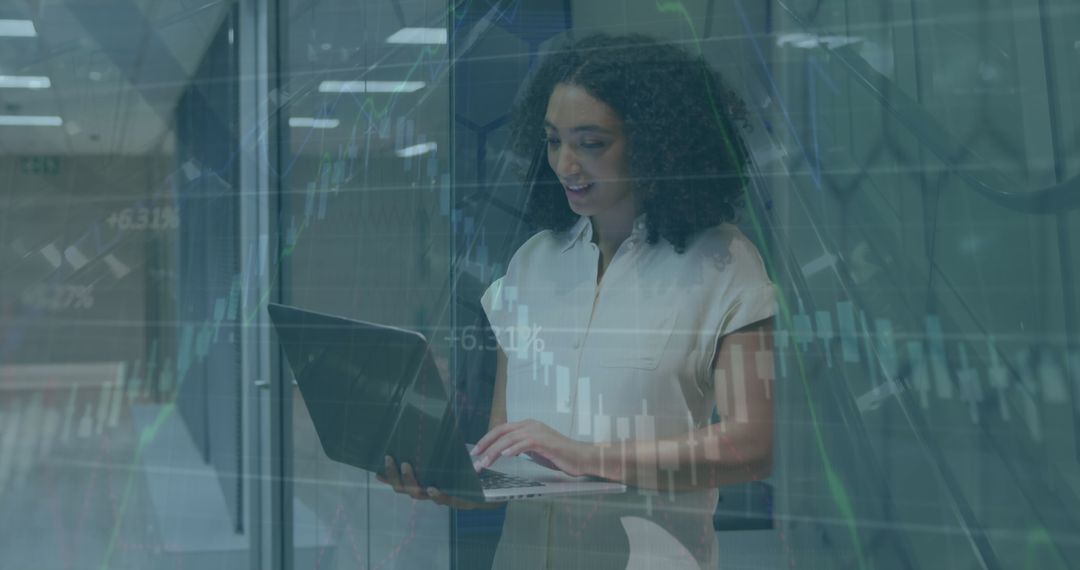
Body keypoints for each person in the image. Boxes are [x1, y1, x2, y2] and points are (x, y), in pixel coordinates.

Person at [382, 33, 776, 569]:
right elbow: (509, 450)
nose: (566, 164)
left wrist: (587, 459)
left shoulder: (726, 263)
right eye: (552, 141)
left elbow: (751, 447)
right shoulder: (531, 263)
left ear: (657, 142)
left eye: (591, 144)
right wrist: (456, 481)